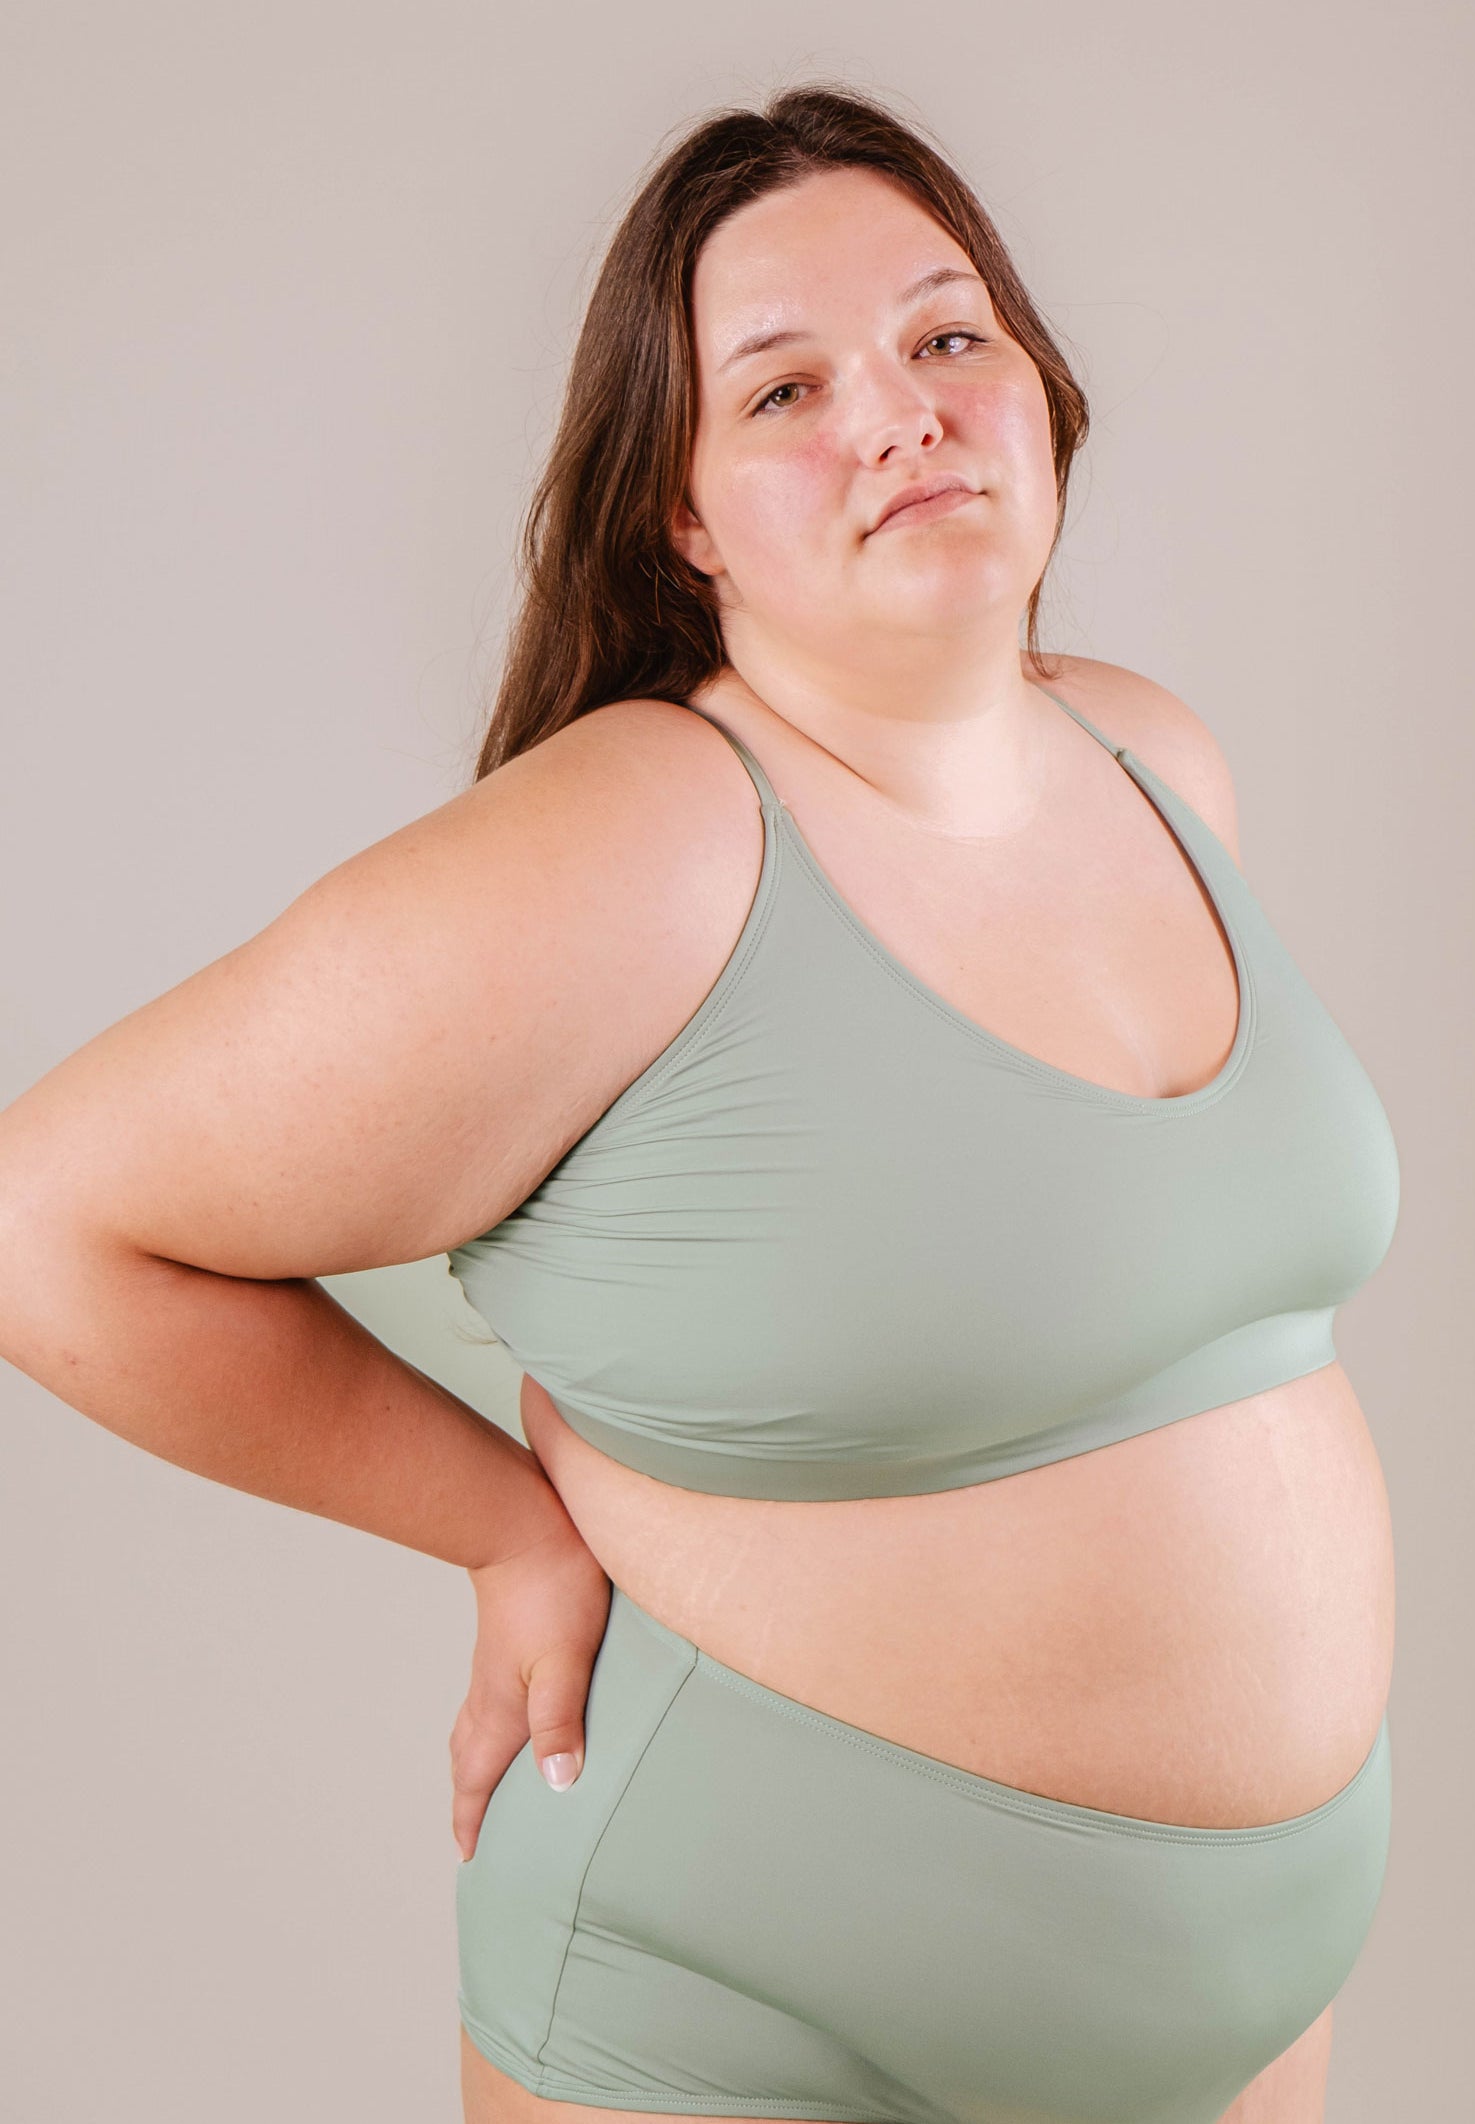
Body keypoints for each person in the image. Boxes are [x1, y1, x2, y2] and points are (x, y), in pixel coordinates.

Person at [0, 83, 1400, 2124]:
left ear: (1034, 384)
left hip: (1253, 1987)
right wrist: (501, 1533)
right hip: (745, 1996)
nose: (901, 412)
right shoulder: (633, 845)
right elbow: (50, 1217)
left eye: (946, 337)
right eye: (780, 391)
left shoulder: (1155, 762)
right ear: (676, 516)